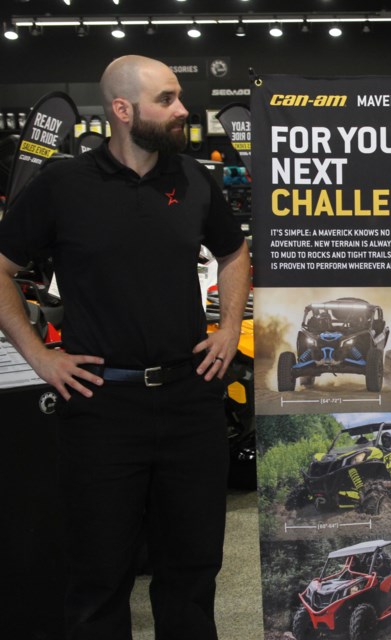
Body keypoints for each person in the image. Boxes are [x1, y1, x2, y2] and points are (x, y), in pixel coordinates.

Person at [0, 55, 250, 639]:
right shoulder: (62, 186)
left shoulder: (194, 180)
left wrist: (230, 327)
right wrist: (39, 355)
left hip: (190, 402)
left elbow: (234, 253)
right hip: (100, 410)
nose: (183, 109)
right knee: (99, 580)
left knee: (191, 574)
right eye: (167, 99)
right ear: (122, 110)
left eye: (179, 96)